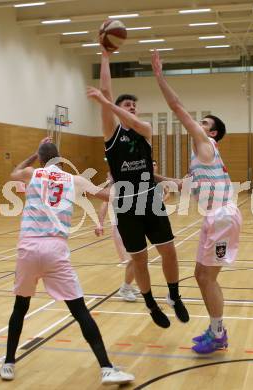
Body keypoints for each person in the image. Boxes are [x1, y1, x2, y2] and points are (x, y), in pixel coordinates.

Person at [0, 137, 134, 385]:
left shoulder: (32, 173)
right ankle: (106, 368)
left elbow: (13, 172)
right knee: (79, 310)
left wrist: (32, 153)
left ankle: (8, 363)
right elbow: (108, 197)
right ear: (59, 159)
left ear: (41, 159)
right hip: (55, 249)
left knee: (20, 306)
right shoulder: (75, 180)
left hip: (28, 248)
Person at [86, 48, 189, 329]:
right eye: (126, 104)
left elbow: (124, 114)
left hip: (150, 200)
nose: (131, 107)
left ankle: (174, 295)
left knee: (169, 251)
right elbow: (107, 91)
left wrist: (107, 103)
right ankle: (150, 302)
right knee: (139, 259)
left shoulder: (144, 128)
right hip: (126, 204)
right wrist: (105, 56)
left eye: (133, 104)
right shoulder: (111, 134)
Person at [152, 51, 242, 353]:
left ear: (212, 132)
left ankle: (219, 335)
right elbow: (181, 185)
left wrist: (159, 77)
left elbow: (177, 108)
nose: (197, 124)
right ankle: (216, 330)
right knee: (201, 276)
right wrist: (155, 176)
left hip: (222, 217)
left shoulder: (206, 144)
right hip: (215, 218)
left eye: (203, 122)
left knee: (207, 277)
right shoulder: (199, 158)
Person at [95, 171, 139, 302]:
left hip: (129, 226)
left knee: (137, 258)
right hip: (119, 228)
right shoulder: (112, 189)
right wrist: (100, 224)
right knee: (132, 259)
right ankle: (125, 288)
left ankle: (128, 286)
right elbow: (103, 206)